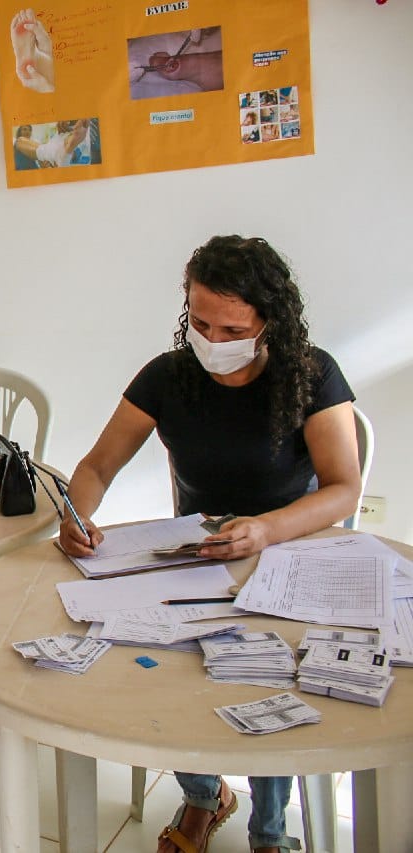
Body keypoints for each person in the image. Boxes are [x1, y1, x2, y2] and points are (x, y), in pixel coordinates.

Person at [56, 235, 361, 853]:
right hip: (200, 557)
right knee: (167, 668)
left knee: (268, 678)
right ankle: (204, 796)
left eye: (233, 330)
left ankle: (269, 831)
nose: (213, 342)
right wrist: (76, 514)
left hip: (287, 550)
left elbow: (343, 489)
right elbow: (97, 467)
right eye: (200, 324)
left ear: (270, 321)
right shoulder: (169, 377)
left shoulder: (312, 374)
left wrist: (266, 528)